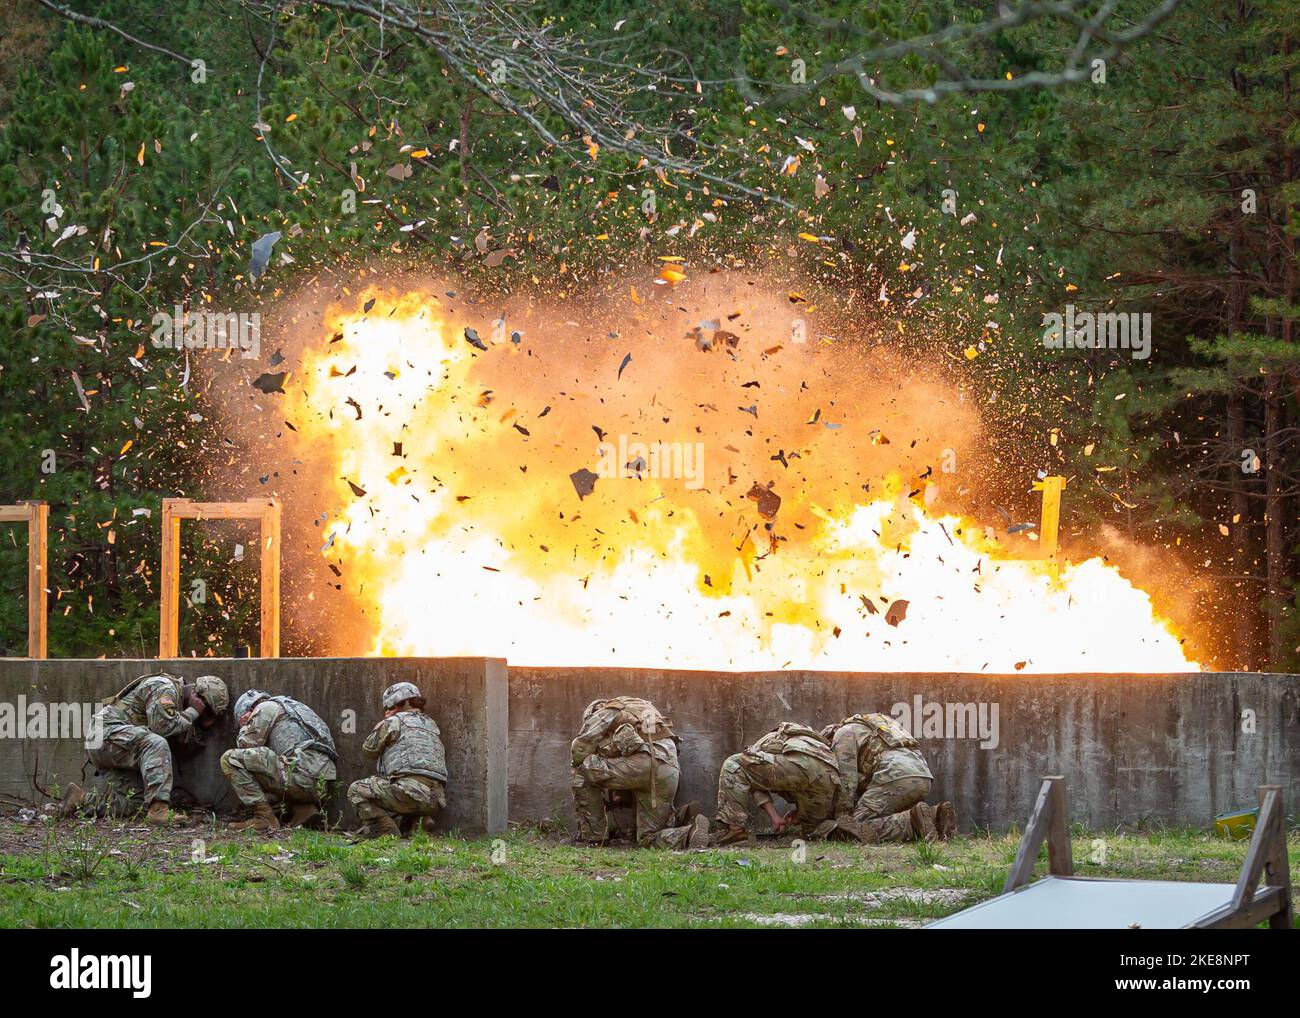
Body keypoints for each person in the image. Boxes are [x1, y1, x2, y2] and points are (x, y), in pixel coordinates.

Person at [61, 673, 228, 825]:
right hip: (106, 735)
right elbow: (161, 727)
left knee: (138, 805)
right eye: (205, 712)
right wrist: (192, 712)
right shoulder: (165, 687)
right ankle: (159, 811)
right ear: (196, 696)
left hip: (118, 745)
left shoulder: (175, 704)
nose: (202, 718)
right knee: (156, 742)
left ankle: (80, 799)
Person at [570, 696, 708, 850]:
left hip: (641, 766)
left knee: (581, 771)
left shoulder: (606, 710)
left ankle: (595, 839)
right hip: (668, 769)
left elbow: (579, 750)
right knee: (648, 837)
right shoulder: (644, 708)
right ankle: (688, 827)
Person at [822, 712, 955, 842]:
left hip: (894, 777)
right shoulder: (875, 725)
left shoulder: (842, 734)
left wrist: (840, 820)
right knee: (883, 817)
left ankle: (912, 824)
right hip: (923, 776)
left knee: (854, 828)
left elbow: (847, 782)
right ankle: (935, 816)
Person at [221, 689, 338, 832]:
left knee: (231, 759)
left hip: (300, 773)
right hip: (323, 782)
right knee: (274, 765)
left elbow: (247, 745)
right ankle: (304, 810)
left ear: (249, 709)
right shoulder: (295, 708)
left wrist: (245, 727)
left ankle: (264, 818)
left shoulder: (265, 707)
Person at [711, 722, 841, 846]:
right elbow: (810, 780)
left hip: (802, 764)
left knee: (734, 764)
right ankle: (836, 829)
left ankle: (735, 831)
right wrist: (799, 813)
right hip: (828, 776)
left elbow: (755, 784)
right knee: (812, 830)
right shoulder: (821, 744)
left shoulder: (770, 738)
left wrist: (775, 817)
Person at [348, 682, 447, 839]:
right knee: (399, 790)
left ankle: (385, 831)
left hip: (409, 793)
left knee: (356, 790)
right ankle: (420, 821)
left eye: (392, 706)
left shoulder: (394, 722)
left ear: (403, 703)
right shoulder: (431, 724)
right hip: (436, 799)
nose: (388, 710)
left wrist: (383, 725)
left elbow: (369, 750)